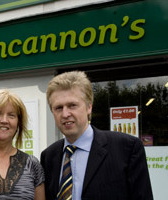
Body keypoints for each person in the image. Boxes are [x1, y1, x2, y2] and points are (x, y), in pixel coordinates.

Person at [40, 71, 153, 200]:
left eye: (72, 105)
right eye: (58, 108)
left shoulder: (127, 148)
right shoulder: (48, 156)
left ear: (89, 107)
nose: (65, 114)